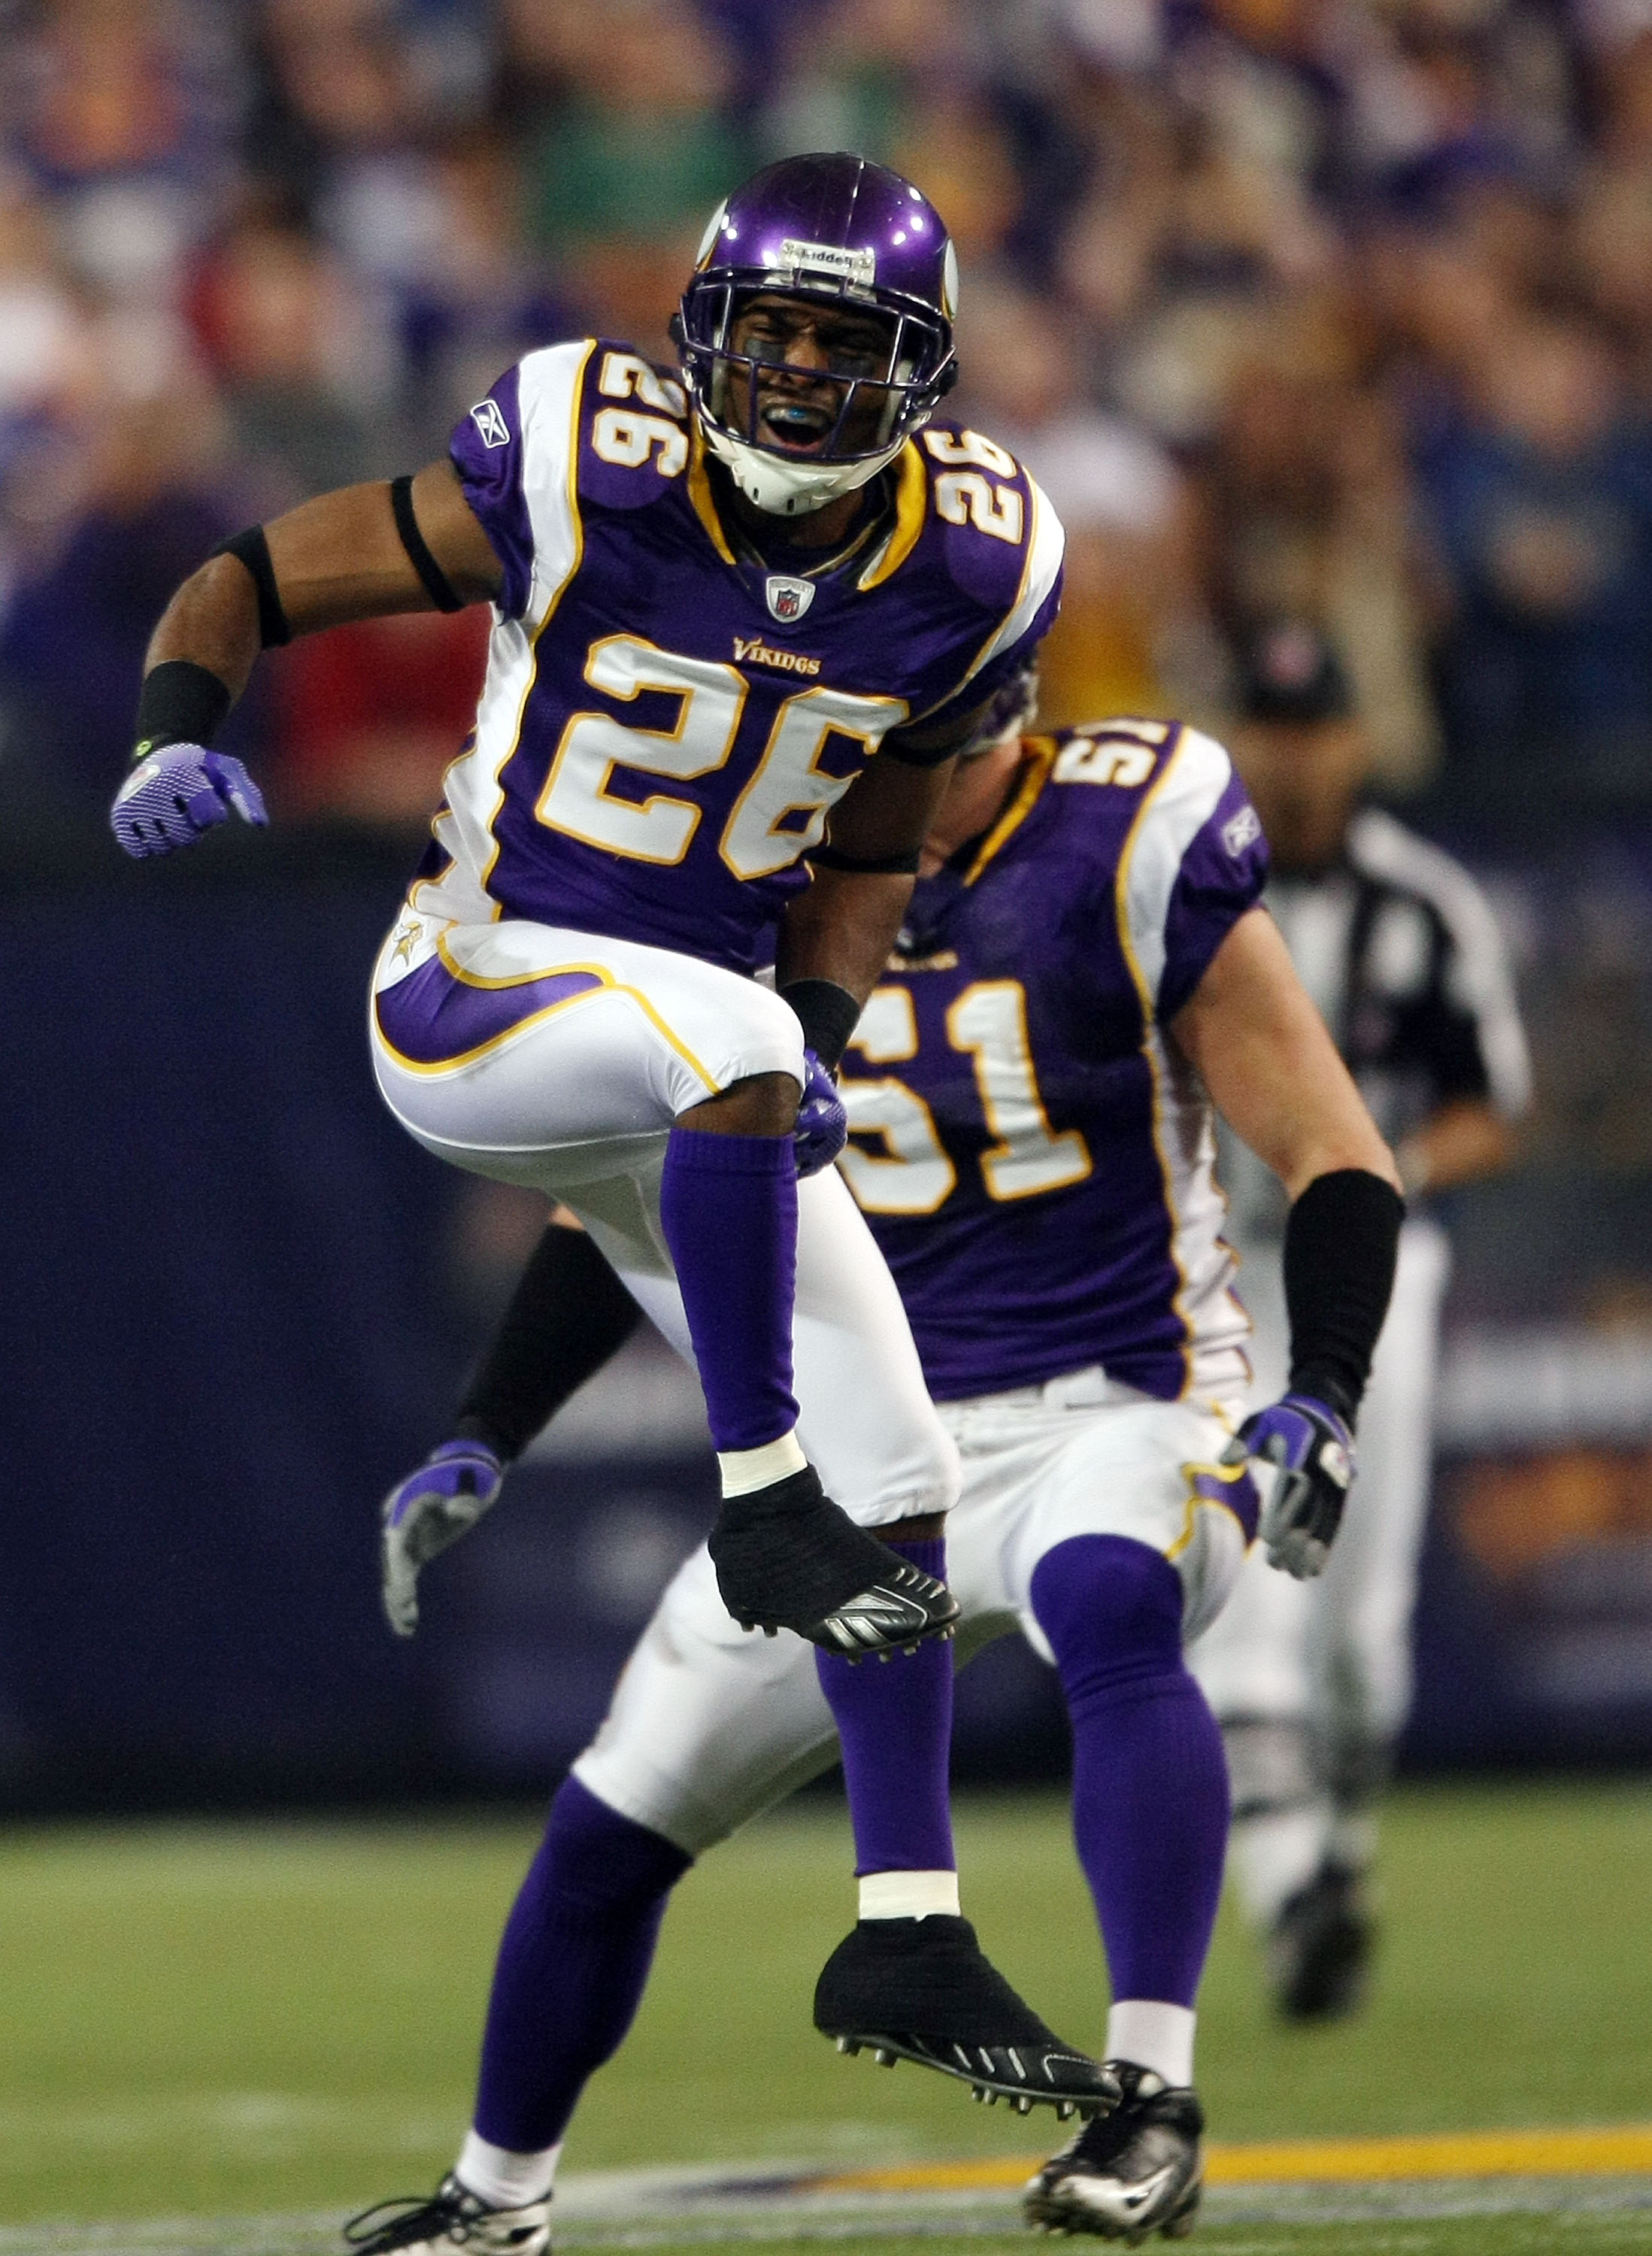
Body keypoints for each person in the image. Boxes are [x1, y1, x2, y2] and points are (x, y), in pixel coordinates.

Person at [110, 150, 1111, 2149]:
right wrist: (171, 726)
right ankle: (754, 1504)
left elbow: (873, 843)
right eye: (774, 333)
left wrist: (824, 1032)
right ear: (706, 332)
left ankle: (904, 1924)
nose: (800, 376)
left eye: (843, 345)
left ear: (918, 370)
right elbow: (252, 572)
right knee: (732, 1056)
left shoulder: (978, 559)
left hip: (680, 1059)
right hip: (468, 989)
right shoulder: (581, 450)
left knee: (902, 1462)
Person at [368, 674, 1404, 2248]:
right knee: (616, 1817)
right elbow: (614, 1207)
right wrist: (484, 1426)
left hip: (1110, 1402)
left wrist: (1324, 1385)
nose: (865, 780)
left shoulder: (1124, 828)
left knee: (1110, 1597)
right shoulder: (741, 878)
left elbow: (1332, 1146)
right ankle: (493, 2202)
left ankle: (1149, 2104)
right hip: (861, 1446)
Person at [1187, 621, 1529, 2019]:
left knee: (1358, 1621)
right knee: (1237, 1588)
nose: (1291, 758)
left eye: (1312, 728)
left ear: (1354, 739)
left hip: (1377, 1274)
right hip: (1213, 1277)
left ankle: (1338, 1853)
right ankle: (1289, 1891)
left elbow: (1489, 1108)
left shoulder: (1422, 903)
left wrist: (1382, 1175)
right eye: (1269, 729)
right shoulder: (1174, 881)